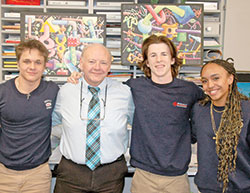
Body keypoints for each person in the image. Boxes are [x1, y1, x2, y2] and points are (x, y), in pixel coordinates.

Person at [125, 34, 204, 193]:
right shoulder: (134, 87)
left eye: (164, 54)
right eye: (153, 55)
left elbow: (209, 111)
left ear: (173, 59)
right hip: (144, 176)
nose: (158, 60)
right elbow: (105, 89)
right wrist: (77, 80)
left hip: (177, 178)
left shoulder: (190, 91)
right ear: (147, 62)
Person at [52, 43, 134, 193]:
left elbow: (141, 125)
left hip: (111, 175)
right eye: (91, 61)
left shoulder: (125, 93)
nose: (97, 67)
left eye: (103, 63)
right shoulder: (65, 91)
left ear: (109, 66)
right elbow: (50, 123)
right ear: (81, 63)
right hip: (71, 174)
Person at [0, 39, 59, 193]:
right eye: (27, 61)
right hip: (4, 174)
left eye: (38, 62)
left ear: (45, 65)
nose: (32, 67)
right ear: (18, 63)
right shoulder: (2, 92)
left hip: (38, 175)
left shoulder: (52, 91)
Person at [191, 59, 250, 193]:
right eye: (204, 81)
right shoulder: (199, 110)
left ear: (230, 79)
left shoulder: (247, 111)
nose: (210, 85)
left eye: (216, 78)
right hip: (207, 189)